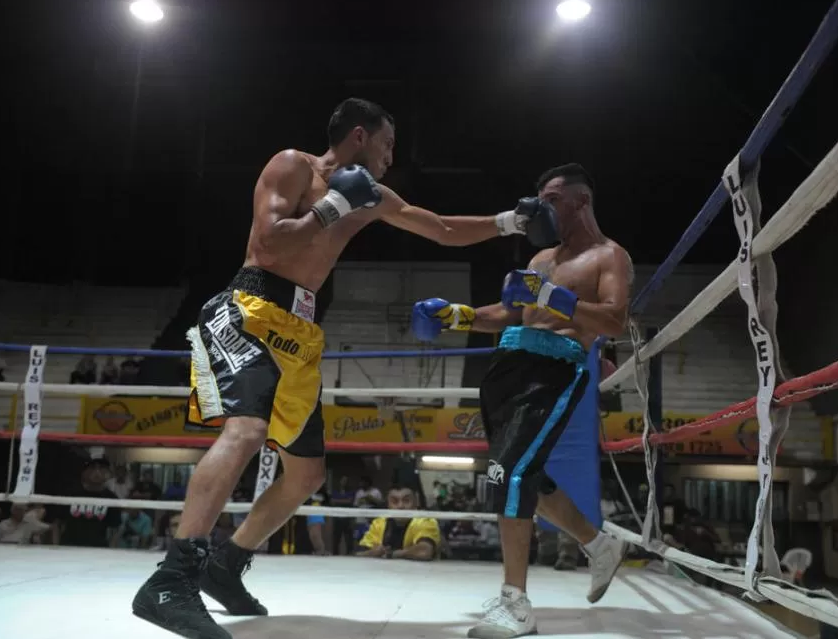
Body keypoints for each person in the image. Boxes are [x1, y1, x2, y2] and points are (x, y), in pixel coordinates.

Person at [131, 97, 558, 639]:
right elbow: (267, 241)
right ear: (359, 136)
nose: (391, 155)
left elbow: (443, 229)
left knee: (306, 473)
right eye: (387, 143)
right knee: (247, 429)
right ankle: (171, 580)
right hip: (250, 309)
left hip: (300, 329)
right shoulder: (292, 165)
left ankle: (225, 564)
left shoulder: (374, 196)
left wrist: (510, 221)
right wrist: (331, 207)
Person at [412, 163, 633, 638]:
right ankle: (599, 546)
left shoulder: (608, 256)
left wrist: (554, 297)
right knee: (525, 475)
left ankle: (516, 605)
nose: (539, 208)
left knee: (508, 474)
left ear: (581, 201)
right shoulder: (540, 261)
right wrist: (456, 315)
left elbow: (615, 321)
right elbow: (510, 313)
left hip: (554, 370)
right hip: (507, 367)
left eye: (551, 198)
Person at [356, 485, 441, 561]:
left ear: (416, 503)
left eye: (406, 501)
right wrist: (374, 552)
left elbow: (424, 552)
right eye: (394, 501)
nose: (400, 506)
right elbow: (358, 553)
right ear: (388, 505)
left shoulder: (425, 520)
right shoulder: (379, 523)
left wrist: (394, 554)